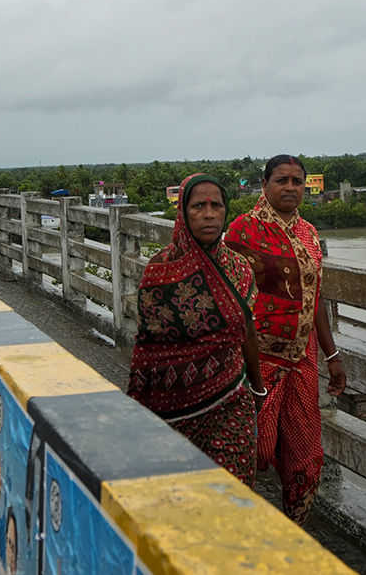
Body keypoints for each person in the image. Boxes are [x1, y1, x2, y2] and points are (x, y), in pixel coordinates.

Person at [225, 154, 347, 523]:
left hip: (302, 358)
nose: (291, 187)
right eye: (282, 180)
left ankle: (294, 531)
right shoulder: (241, 231)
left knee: (304, 452)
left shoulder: (308, 233)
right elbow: (228, 298)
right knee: (248, 451)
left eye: (298, 181)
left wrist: (332, 355)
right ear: (265, 185)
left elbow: (315, 296)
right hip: (254, 360)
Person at [127, 173, 265, 484]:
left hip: (231, 399)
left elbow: (247, 332)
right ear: (183, 212)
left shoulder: (240, 268)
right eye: (198, 206)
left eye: (216, 206)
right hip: (174, 407)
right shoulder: (160, 270)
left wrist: (257, 387)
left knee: (233, 493)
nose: (208, 214)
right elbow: (149, 348)